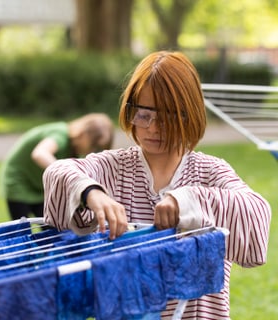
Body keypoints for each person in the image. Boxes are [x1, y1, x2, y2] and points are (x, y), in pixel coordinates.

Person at [42, 51, 271, 319]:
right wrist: (93, 193)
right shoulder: (114, 168)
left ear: (190, 115)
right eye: (143, 114)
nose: (153, 128)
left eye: (168, 117)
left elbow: (257, 213)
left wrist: (187, 201)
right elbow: (58, 172)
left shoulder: (210, 171)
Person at [0, 113, 114, 221]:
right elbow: (40, 153)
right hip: (19, 182)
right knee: (22, 231)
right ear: (83, 133)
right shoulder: (60, 134)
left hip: (40, 187)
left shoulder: (75, 150)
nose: (93, 151)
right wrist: (67, 172)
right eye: (94, 145)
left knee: (52, 227)